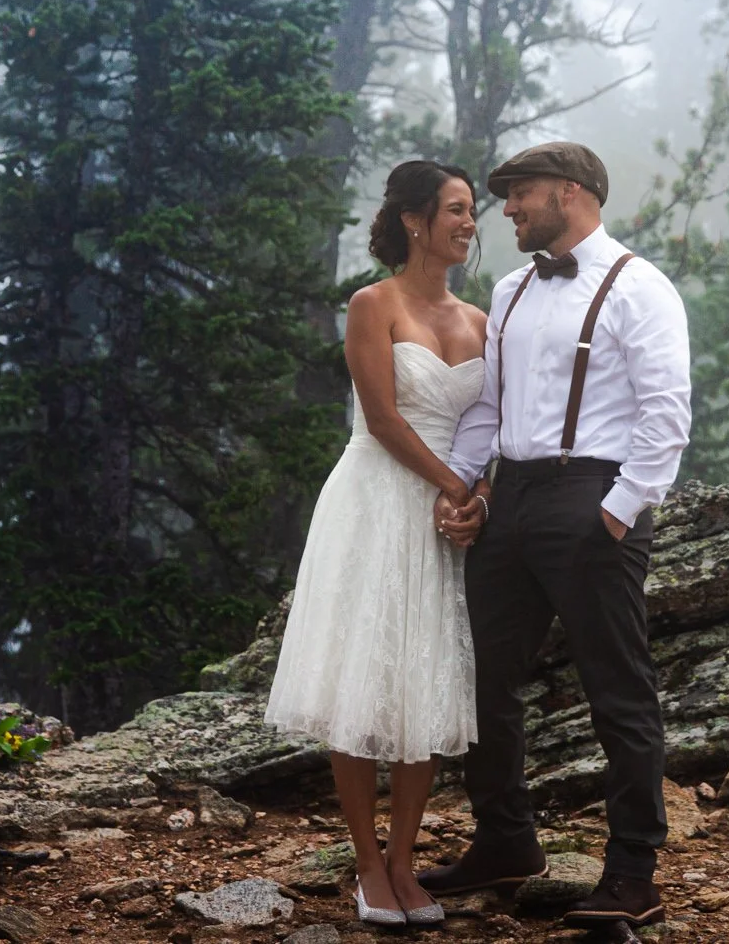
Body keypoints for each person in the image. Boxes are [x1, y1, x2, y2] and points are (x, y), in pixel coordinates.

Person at [422, 141, 692, 929]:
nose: (505, 208)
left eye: (520, 193)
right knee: (484, 680)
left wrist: (616, 510)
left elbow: (666, 414)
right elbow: (487, 410)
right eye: (503, 196)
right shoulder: (508, 290)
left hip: (592, 495)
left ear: (570, 193)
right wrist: (464, 485)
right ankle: (507, 841)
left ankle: (633, 872)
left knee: (618, 690)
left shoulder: (642, 286)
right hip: (511, 496)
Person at [264, 160, 489, 928]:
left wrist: (478, 497)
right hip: (372, 500)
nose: (470, 222)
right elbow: (385, 419)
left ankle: (404, 860)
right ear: (416, 221)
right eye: (457, 210)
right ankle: (366, 863)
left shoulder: (481, 322)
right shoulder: (373, 304)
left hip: (441, 514)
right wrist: (455, 486)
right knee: (364, 674)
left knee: (421, 679)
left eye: (473, 212)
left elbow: (491, 433)